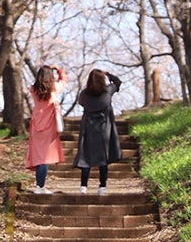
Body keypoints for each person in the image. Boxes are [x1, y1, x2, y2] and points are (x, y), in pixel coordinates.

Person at [73, 68, 121, 195]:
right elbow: (117, 82)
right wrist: (108, 73)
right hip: (104, 128)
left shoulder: (84, 94)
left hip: (88, 128)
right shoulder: (107, 92)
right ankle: (102, 187)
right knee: (103, 157)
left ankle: (83, 186)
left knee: (86, 156)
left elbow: (81, 103)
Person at [24, 64, 67, 194]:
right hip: (49, 126)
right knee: (45, 158)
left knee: (39, 157)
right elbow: (64, 80)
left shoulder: (33, 89)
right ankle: (40, 187)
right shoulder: (54, 89)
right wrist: (58, 69)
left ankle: (39, 186)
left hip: (36, 126)